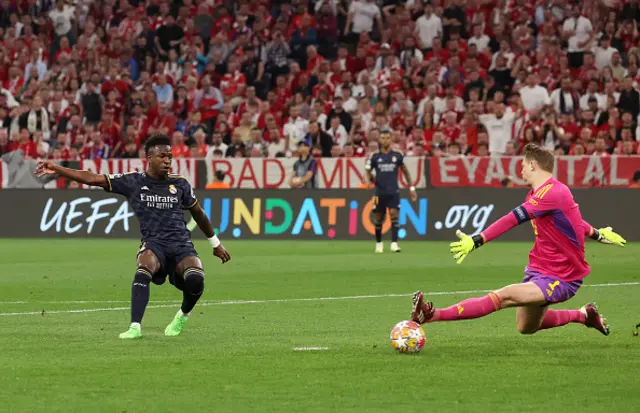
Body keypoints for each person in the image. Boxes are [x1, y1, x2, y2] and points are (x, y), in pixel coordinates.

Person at [410, 144, 626, 336]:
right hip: (539, 269)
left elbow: (512, 219)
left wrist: (477, 240)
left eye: (523, 164)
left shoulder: (553, 192)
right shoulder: (537, 194)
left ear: (533, 165)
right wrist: (597, 234)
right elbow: (574, 222)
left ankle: (432, 314)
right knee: (526, 327)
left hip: (562, 276)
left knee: (503, 297)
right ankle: (583, 315)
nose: (520, 168)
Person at [34, 135, 231, 339]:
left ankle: (182, 315)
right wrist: (57, 169)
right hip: (154, 244)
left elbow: (198, 213)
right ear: (149, 157)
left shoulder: (180, 184)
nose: (167, 161)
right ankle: (135, 327)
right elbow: (92, 178)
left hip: (181, 245)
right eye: (162, 156)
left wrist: (215, 244)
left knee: (196, 279)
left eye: (170, 157)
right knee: (143, 268)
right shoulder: (133, 181)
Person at [365, 130, 417, 254]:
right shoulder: (374, 156)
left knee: (394, 215)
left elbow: (405, 171)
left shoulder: (398, 155)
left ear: (391, 139)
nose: (385, 140)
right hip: (379, 192)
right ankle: (379, 244)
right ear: (380, 140)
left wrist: (412, 187)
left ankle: (394, 244)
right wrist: (369, 180)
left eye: (387, 138)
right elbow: (367, 170)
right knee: (378, 218)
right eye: (383, 138)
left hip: (394, 191)